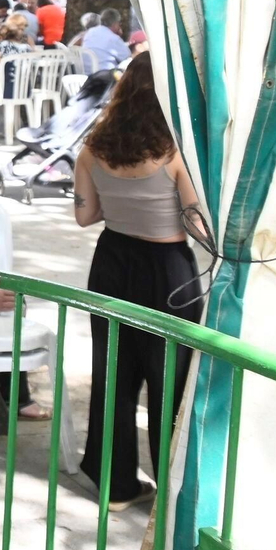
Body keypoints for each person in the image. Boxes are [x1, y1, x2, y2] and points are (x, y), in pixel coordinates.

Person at [72, 53, 202, 509]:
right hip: (167, 270)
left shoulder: (93, 147)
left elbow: (85, 216)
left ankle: (116, 483)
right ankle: (172, 488)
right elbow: (200, 225)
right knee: (170, 380)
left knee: (114, 375)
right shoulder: (175, 154)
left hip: (111, 260)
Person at [80, 7, 132, 72]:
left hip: (85, 72)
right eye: (119, 24)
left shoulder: (90, 32)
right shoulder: (114, 38)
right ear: (115, 24)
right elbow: (127, 56)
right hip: (105, 75)